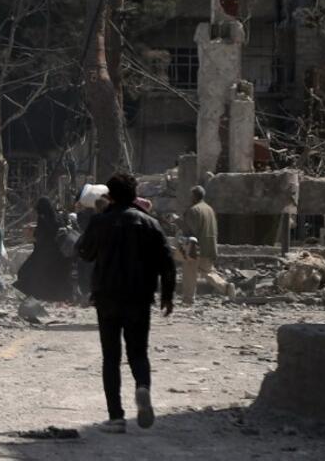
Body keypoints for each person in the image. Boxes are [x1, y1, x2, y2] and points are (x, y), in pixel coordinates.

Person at [77, 173, 176, 434]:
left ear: (110, 196)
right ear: (135, 195)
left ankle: (116, 417)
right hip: (139, 298)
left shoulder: (101, 221)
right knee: (138, 352)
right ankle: (142, 386)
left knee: (111, 357)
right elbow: (167, 262)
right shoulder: (150, 223)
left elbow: (84, 253)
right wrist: (167, 295)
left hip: (107, 297)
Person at [181, 185, 235, 304]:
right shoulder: (209, 209)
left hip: (195, 247)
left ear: (194, 196)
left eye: (191, 195)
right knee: (208, 272)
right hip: (209, 246)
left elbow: (190, 230)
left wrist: (177, 221)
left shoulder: (193, 210)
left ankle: (188, 299)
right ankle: (226, 287)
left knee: (189, 273)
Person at [13, 197, 71, 302]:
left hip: (43, 252)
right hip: (56, 253)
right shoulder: (57, 218)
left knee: (28, 271)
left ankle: (36, 294)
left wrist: (34, 233)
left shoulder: (43, 218)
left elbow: (41, 234)